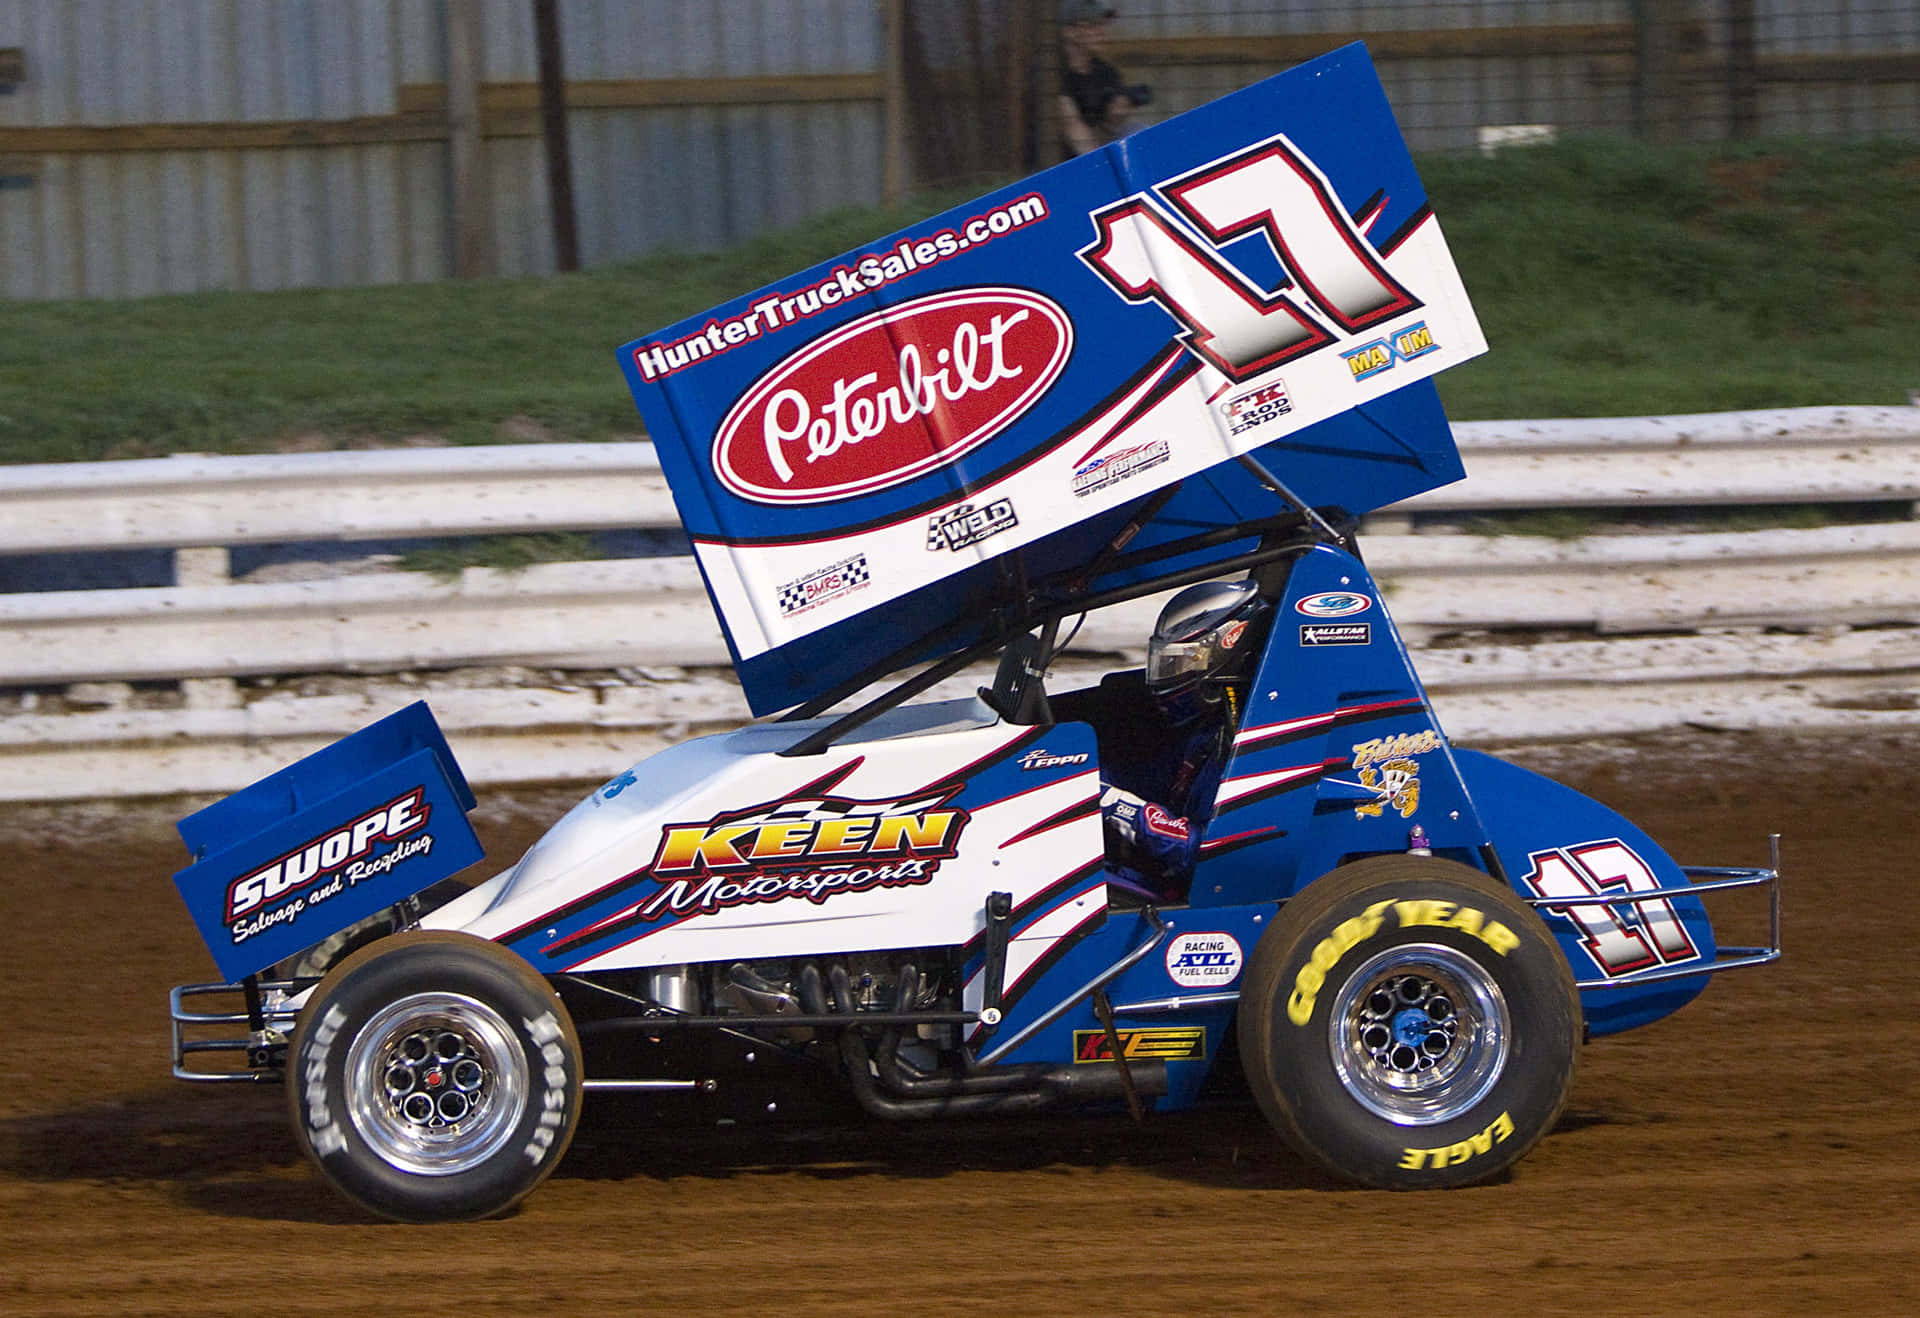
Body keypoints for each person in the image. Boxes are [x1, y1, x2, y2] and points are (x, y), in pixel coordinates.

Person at [1101, 578, 1271, 903]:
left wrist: (1134, 815)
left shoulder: (1256, 740)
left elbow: (1225, 856)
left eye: (1178, 661)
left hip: (1212, 892)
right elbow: (1151, 776)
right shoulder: (1209, 729)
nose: (1166, 675)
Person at [1057, 1, 1150, 156]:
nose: (1101, 31)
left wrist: (1112, 121)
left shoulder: (1106, 72)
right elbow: (1072, 128)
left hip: (1097, 149)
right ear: (1069, 31)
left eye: (1103, 25)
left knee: (1138, 131)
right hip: (1064, 162)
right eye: (1092, 25)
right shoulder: (1055, 74)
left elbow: (1107, 134)